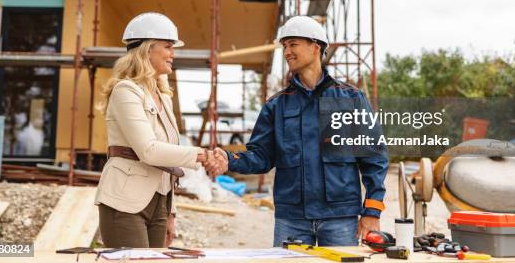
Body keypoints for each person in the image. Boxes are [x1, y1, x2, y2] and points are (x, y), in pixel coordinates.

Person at [214, 16, 388, 246]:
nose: (287, 52)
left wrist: (371, 211)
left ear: (316, 47)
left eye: (293, 44)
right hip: (292, 219)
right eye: (285, 46)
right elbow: (262, 156)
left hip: (339, 218)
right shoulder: (276, 106)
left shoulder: (351, 99)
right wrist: (230, 159)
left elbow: (374, 157)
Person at [95, 12, 227, 248]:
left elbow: (170, 156)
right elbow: (149, 150)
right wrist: (203, 155)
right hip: (125, 203)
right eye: (168, 46)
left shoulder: (163, 97)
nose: (172, 54)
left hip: (160, 203)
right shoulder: (126, 91)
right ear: (147, 50)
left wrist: (171, 212)